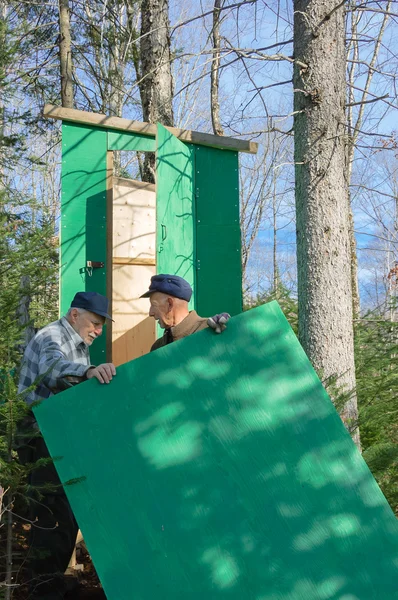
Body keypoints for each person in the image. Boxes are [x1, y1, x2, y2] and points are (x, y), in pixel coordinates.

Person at [18, 291, 116, 600]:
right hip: (41, 440)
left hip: (60, 438)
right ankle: (42, 591)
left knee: (67, 518)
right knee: (53, 520)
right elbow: (51, 370)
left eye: (101, 326)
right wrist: (88, 372)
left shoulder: (78, 344)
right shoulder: (53, 336)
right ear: (75, 315)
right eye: (94, 323)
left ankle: (50, 584)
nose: (98, 331)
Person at [140, 274, 230, 351]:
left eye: (154, 305)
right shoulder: (157, 347)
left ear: (170, 304)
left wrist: (229, 331)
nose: (150, 313)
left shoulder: (209, 330)